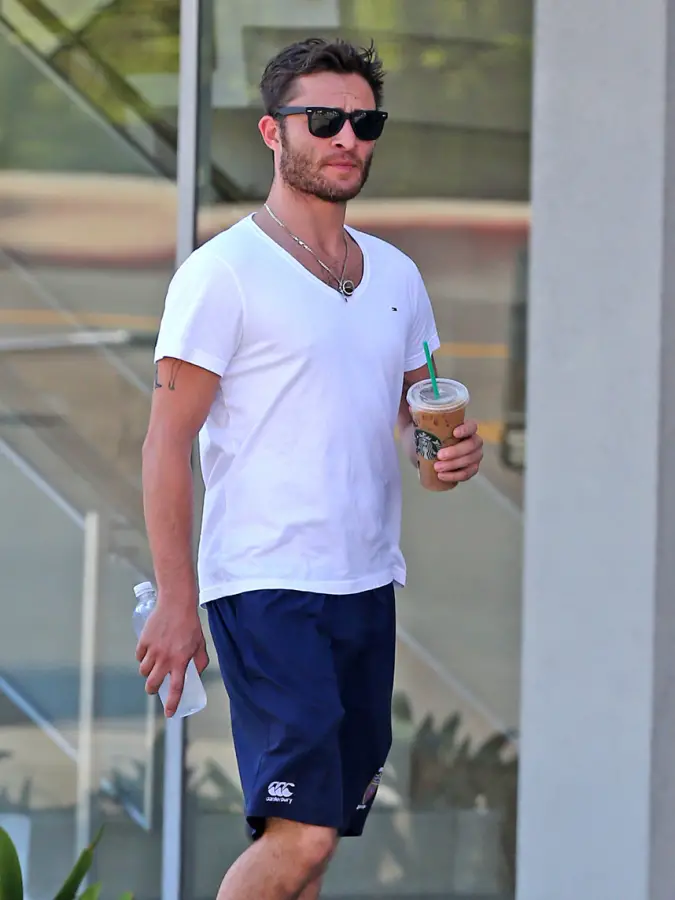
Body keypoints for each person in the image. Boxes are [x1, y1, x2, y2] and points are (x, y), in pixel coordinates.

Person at [138, 37, 484, 900]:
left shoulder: (397, 275)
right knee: (304, 837)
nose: (346, 139)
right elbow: (164, 443)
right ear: (272, 131)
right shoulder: (223, 274)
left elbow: (419, 434)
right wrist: (178, 599)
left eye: (364, 123)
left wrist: (448, 456)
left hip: (365, 583)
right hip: (265, 583)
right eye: (323, 119)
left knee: (315, 843)